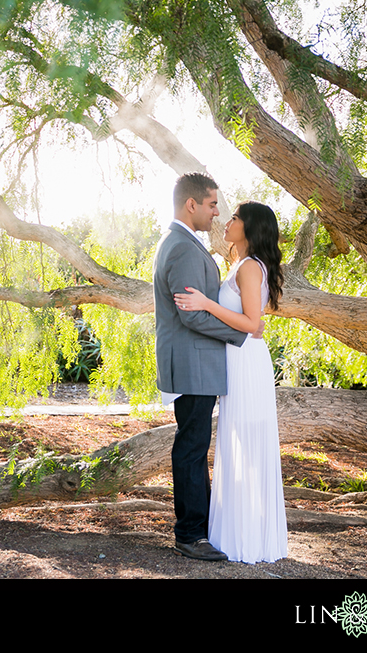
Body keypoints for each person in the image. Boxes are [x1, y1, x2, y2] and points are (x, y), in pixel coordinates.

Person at [174, 201, 289, 563]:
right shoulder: (239, 265)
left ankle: (250, 539)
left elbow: (252, 322)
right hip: (235, 361)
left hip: (246, 362)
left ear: (250, 228)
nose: (227, 221)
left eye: (235, 218)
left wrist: (206, 303)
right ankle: (236, 532)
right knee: (234, 443)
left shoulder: (251, 268)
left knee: (246, 444)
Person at [153, 173, 248, 561]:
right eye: (211, 204)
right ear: (191, 204)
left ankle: (199, 530)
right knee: (191, 449)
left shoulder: (183, 244)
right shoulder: (183, 249)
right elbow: (192, 316)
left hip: (196, 364)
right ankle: (191, 535)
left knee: (193, 446)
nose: (216, 212)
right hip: (192, 365)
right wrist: (242, 334)